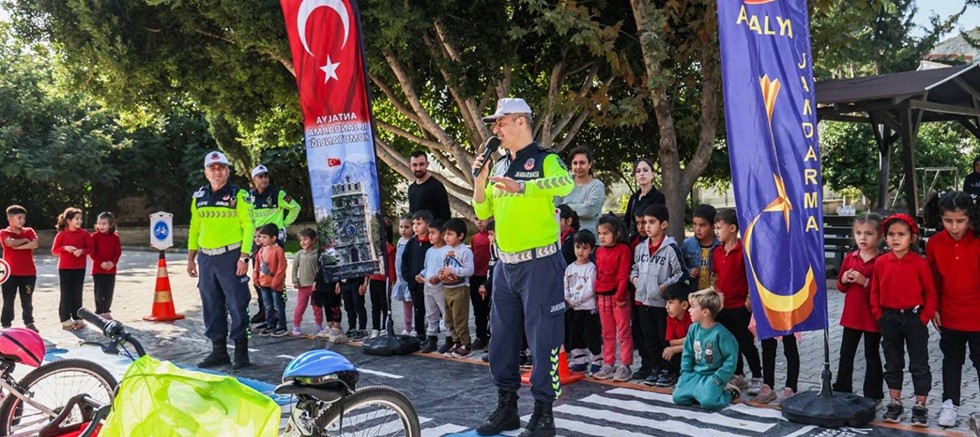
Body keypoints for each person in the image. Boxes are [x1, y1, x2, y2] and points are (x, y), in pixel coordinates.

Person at [472, 97, 574, 437]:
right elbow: (482, 210)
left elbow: (566, 185)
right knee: (501, 339)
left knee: (544, 338)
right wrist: (480, 176)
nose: (495, 129)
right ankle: (507, 407)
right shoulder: (498, 165)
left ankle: (544, 413)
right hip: (505, 265)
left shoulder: (546, 160)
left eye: (501, 122)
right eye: (495, 124)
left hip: (540, 263)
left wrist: (524, 187)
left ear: (521, 122)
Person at [187, 150, 254, 370]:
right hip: (206, 258)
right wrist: (191, 258)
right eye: (212, 168)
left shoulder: (239, 195)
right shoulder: (199, 197)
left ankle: (241, 352)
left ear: (227, 170)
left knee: (237, 303)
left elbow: (248, 226)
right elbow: (195, 227)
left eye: (221, 167)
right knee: (211, 304)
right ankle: (219, 351)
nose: (217, 172)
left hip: (231, 256)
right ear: (206, 172)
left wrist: (244, 256)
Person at [871, 213, 937, 427]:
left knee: (919, 363)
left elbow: (931, 293)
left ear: (912, 237)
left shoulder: (919, 263)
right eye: (891, 235)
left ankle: (920, 405)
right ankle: (895, 402)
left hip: (914, 318)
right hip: (889, 318)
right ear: (885, 237)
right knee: (892, 362)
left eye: (901, 234)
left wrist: (924, 318)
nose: (895, 239)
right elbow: (874, 292)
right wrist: (880, 316)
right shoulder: (881, 262)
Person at [924, 192, 980, 428]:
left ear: (971, 218)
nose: (954, 227)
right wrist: (933, 307)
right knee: (951, 361)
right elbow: (932, 280)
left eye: (960, 221)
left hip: (978, 314)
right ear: (941, 218)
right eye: (948, 221)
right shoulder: (935, 243)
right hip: (949, 314)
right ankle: (950, 404)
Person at [630, 204, 685, 386]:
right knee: (649, 337)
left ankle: (668, 370)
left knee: (664, 337)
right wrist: (636, 280)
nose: (647, 226)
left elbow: (680, 273)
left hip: (662, 303)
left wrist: (663, 287)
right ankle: (654, 367)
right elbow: (635, 268)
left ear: (663, 224)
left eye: (651, 222)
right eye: (645, 222)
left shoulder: (670, 249)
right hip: (643, 300)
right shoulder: (640, 248)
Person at [832, 213, 884, 403]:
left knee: (872, 355)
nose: (863, 237)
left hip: (872, 317)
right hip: (852, 316)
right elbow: (840, 286)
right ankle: (842, 387)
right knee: (846, 353)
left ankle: (874, 393)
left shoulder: (882, 261)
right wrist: (844, 279)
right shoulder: (850, 257)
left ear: (879, 237)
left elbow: (883, 291)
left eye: (868, 233)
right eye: (859, 233)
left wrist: (865, 282)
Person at [710, 208, 762, 395]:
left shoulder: (744, 250)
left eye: (719, 227)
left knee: (746, 342)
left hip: (741, 306)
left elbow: (752, 278)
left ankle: (757, 375)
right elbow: (715, 276)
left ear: (732, 228)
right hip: (723, 306)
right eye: (715, 228)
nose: (716, 231)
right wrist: (714, 294)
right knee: (730, 344)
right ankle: (738, 375)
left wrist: (749, 300)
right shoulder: (716, 252)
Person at [248, 164, 301, 324]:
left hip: (273, 240)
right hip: (257, 241)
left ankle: (278, 312)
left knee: (276, 276)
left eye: (266, 176)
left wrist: (283, 224)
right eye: (260, 176)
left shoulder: (277, 194)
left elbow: (295, 207)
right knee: (259, 275)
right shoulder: (249, 197)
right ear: (253, 179)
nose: (264, 179)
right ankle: (264, 311)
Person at [672, 288, 740, 411]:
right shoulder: (693, 329)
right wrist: (685, 372)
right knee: (678, 398)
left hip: (712, 376)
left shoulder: (721, 334)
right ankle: (699, 391)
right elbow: (688, 353)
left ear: (705, 312)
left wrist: (718, 378)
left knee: (708, 403)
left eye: (693, 307)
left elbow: (731, 359)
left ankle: (728, 391)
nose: (689, 310)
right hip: (694, 374)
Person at [592, 214, 634, 382]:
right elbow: (598, 274)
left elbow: (623, 275)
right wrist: (596, 293)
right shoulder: (599, 251)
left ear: (616, 234)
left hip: (619, 298)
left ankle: (625, 364)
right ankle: (608, 363)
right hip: (602, 298)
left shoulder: (623, 250)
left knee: (623, 332)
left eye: (606, 233)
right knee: (607, 333)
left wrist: (621, 294)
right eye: (600, 233)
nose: (602, 237)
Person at [564, 230, 601, 374]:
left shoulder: (591, 268)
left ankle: (597, 359)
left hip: (588, 308)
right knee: (575, 334)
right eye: (578, 247)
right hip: (574, 308)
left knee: (591, 335)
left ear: (591, 249)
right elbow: (567, 285)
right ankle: (579, 360)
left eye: (585, 248)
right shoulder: (570, 268)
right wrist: (568, 297)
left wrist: (578, 299)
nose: (580, 251)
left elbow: (590, 288)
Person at [51, 207, 92, 330]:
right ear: (68, 220)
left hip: (79, 268)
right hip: (65, 268)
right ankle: (65, 318)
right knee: (66, 293)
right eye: (76, 219)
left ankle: (78, 317)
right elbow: (54, 251)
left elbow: (91, 249)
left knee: (77, 292)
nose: (79, 221)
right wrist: (65, 248)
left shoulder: (85, 234)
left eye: (80, 219)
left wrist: (82, 251)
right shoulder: (61, 235)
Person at [439, 218, 475, 357]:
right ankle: (457, 342)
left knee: (460, 319)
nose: (446, 237)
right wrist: (441, 273)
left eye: (450, 234)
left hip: (460, 289)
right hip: (447, 288)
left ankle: (466, 344)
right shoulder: (445, 250)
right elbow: (444, 266)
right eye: (445, 234)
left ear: (460, 236)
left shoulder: (465, 251)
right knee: (449, 319)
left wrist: (453, 271)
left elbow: (470, 270)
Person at [750, 303, 800, 404]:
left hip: (787, 303)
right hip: (767, 301)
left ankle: (791, 387)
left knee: (790, 347)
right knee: (767, 347)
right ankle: (768, 385)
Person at [1, 205, 39, 332]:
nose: (22, 220)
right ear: (10, 218)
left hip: (28, 273)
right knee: (8, 300)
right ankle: (6, 324)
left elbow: (35, 244)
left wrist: (18, 247)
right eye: (19, 217)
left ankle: (29, 322)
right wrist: (24, 240)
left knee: (27, 300)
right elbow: (9, 242)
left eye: (24, 218)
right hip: (10, 273)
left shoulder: (29, 230)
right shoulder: (4, 232)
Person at [418, 219, 449, 353]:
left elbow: (447, 268)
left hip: (440, 287)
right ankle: (432, 339)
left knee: (445, 313)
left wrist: (439, 278)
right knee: (430, 313)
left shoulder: (447, 250)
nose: (430, 236)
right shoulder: (429, 251)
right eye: (429, 233)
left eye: (433, 233)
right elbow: (426, 267)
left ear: (442, 234)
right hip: (428, 286)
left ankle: (450, 338)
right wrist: (420, 274)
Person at [401, 210, 433, 339]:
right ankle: (420, 335)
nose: (415, 226)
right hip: (414, 283)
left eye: (419, 223)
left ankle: (433, 335)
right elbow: (405, 260)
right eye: (413, 223)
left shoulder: (432, 243)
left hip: (430, 283)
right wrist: (409, 278)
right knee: (418, 310)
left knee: (432, 311)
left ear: (428, 225)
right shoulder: (412, 242)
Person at [560, 146, 606, 235]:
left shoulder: (597, 186)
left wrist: (565, 206)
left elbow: (589, 210)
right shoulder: (564, 184)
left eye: (582, 163)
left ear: (590, 164)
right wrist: (579, 206)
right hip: (565, 239)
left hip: (589, 240)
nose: (578, 167)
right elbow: (557, 209)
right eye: (575, 163)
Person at [254, 224, 288, 337]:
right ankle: (270, 324)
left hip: (275, 285)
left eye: (264, 237)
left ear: (273, 238)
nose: (261, 240)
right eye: (260, 237)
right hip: (264, 284)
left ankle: (282, 326)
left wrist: (276, 281)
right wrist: (256, 278)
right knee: (268, 306)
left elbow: (282, 267)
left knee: (278, 306)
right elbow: (257, 266)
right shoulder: (261, 251)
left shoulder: (278, 250)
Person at [364, 221, 396, 338]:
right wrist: (366, 280)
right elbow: (369, 265)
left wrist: (393, 281)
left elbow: (392, 266)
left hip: (385, 280)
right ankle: (375, 328)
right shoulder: (372, 248)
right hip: (374, 279)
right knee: (375, 305)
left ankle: (385, 327)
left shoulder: (390, 249)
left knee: (385, 305)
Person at [660, 282, 693, 388]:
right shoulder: (670, 317)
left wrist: (674, 349)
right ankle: (673, 373)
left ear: (684, 305)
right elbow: (671, 341)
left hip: (695, 351)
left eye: (670, 302)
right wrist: (688, 340)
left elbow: (698, 342)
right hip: (683, 349)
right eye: (666, 303)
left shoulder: (693, 316)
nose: (667, 307)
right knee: (667, 350)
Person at [624, 158, 666, 240]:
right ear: (635, 176)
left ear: (653, 174)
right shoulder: (633, 198)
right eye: (638, 171)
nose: (642, 174)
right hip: (634, 242)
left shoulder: (658, 197)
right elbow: (627, 222)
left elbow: (658, 223)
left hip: (651, 242)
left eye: (645, 170)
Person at [292, 228, 323, 336]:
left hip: (315, 286)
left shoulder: (318, 254)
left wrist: (319, 282)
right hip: (303, 286)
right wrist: (295, 280)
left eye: (305, 239)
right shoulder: (299, 254)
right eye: (301, 240)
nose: (303, 242)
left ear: (314, 240)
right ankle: (296, 325)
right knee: (300, 306)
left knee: (317, 307)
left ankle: (319, 325)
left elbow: (321, 269)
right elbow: (294, 268)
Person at [90, 212, 121, 320]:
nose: (101, 226)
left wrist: (112, 263)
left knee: (109, 292)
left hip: (111, 270)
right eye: (99, 223)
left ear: (110, 225)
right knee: (99, 292)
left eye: (104, 224)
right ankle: (99, 311)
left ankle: (106, 310)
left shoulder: (115, 238)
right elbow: (92, 252)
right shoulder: (94, 237)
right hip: (98, 269)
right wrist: (101, 262)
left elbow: (118, 252)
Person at [681, 205, 720, 291]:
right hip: (693, 294)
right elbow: (679, 267)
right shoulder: (687, 244)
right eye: (694, 224)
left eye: (702, 225)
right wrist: (689, 271)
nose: (697, 229)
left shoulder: (721, 245)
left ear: (713, 225)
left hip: (715, 294)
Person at [407, 151, 451, 221]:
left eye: (421, 164)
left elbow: (445, 215)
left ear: (427, 165)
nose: (418, 168)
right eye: (414, 165)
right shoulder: (411, 188)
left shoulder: (437, 186)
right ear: (410, 166)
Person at [470, 218, 492, 350]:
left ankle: (491, 337)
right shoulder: (474, 238)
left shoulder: (494, 236)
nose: (479, 222)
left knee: (490, 309)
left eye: (482, 219)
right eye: (476, 219)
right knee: (478, 310)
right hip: (476, 276)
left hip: (488, 276)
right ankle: (480, 336)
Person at [393, 215, 415, 335]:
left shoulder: (414, 241)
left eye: (407, 227)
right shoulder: (400, 241)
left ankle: (417, 327)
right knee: (406, 305)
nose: (403, 230)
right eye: (401, 227)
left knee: (416, 304)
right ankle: (407, 327)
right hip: (401, 279)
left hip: (411, 279)